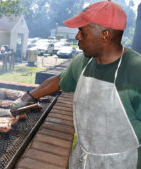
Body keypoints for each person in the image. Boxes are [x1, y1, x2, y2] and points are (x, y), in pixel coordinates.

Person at [10, 1, 141, 169]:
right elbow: (60, 80)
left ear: (105, 35)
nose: (77, 37)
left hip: (122, 163)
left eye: (82, 31)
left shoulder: (136, 71)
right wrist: (27, 97)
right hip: (83, 159)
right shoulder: (83, 62)